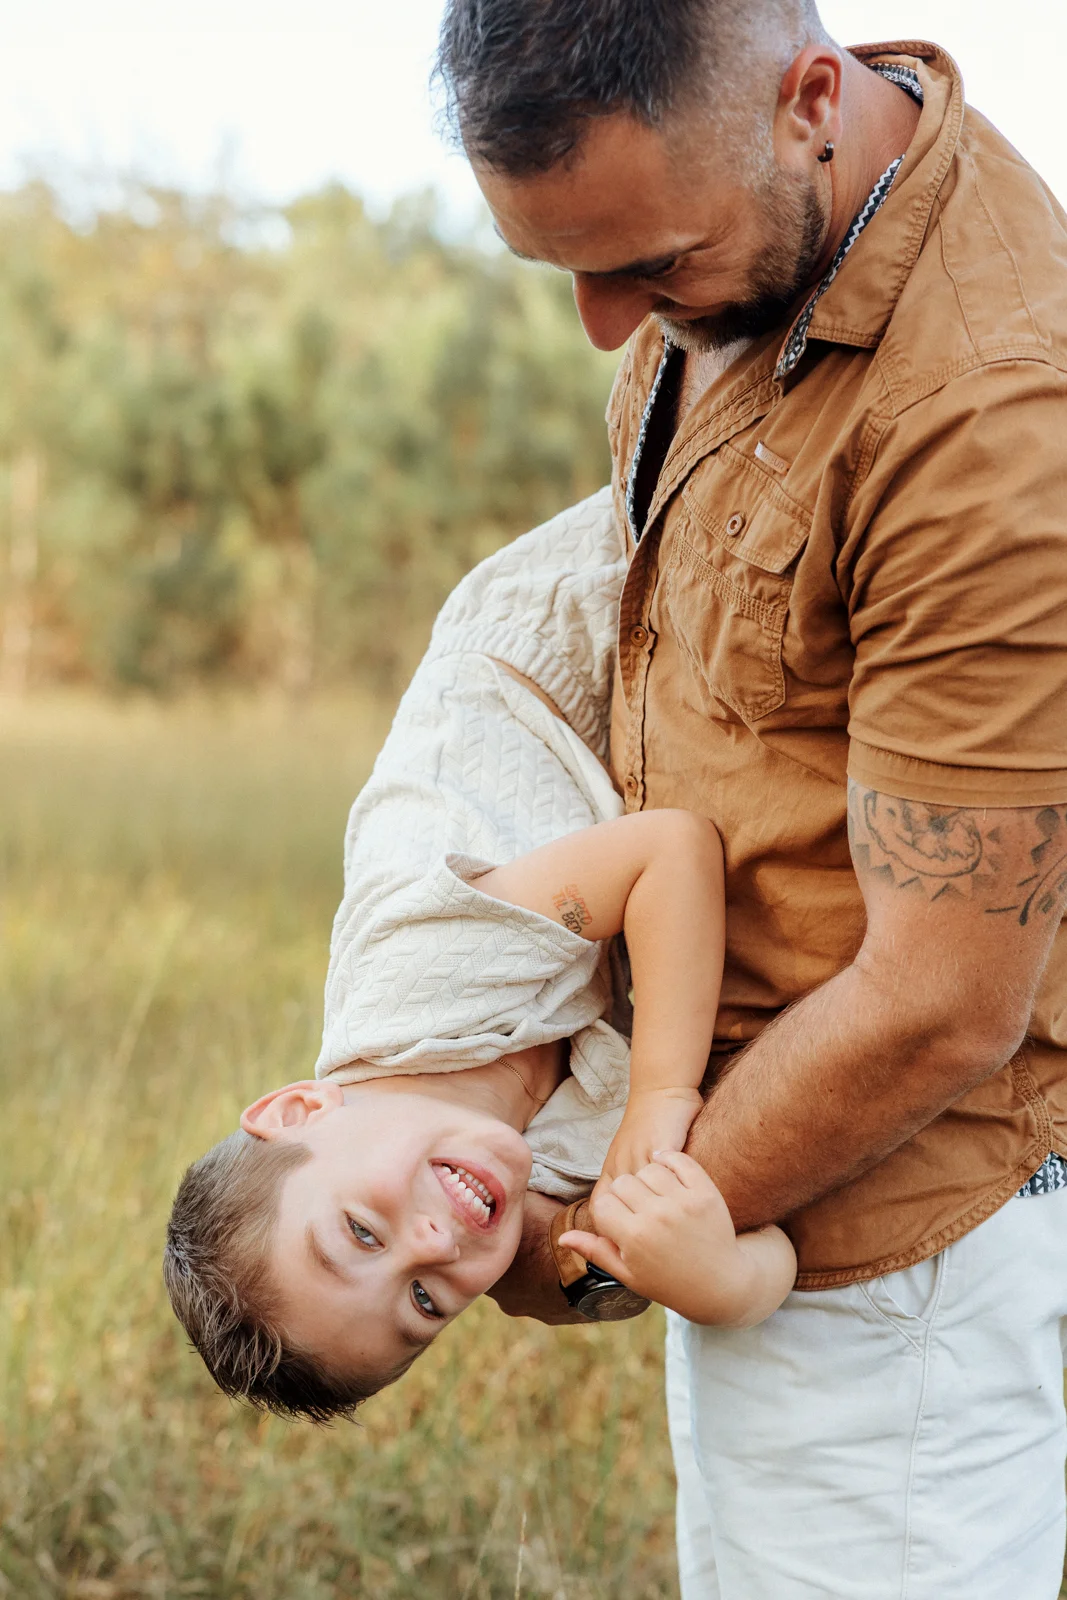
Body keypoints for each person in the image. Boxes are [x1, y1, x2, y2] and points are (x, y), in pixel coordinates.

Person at [436, 3, 1067, 1597]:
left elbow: (940, 1003)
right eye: (563, 267)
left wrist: (600, 1243)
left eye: (644, 266)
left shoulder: (986, 418)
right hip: (739, 1179)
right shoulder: (743, 235)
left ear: (805, 103)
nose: (604, 324)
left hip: (895, 1258)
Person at [163, 492, 796, 1421]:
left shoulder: (423, 976)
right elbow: (779, 1230)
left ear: (300, 1109)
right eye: (424, 1303)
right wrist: (720, 1284)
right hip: (630, 738)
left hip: (558, 642)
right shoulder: (523, 1199)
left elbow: (671, 852)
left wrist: (663, 1097)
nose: (430, 1247)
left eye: (359, 1231)